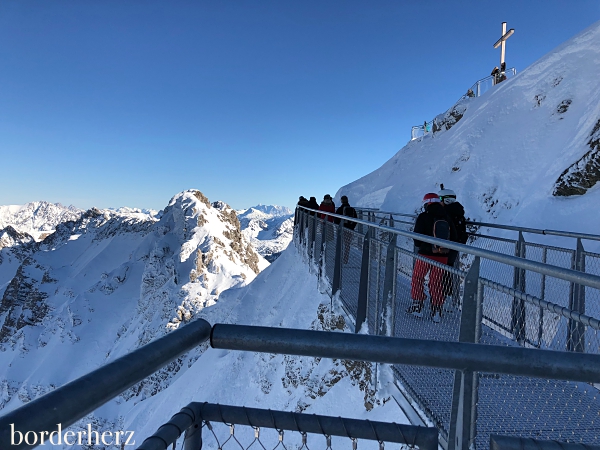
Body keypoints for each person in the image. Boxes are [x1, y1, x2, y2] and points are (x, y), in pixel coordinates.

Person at [408, 193, 457, 323]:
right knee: (436, 282)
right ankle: (436, 310)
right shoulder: (446, 217)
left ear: (427, 203)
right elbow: (454, 237)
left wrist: (423, 246)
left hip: (425, 254)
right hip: (443, 256)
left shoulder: (424, 216)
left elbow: (417, 239)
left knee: (418, 278)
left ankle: (417, 306)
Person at [334, 195, 358, 264]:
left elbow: (336, 219)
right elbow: (355, 219)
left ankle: (338, 257)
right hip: (349, 229)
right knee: (347, 245)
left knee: (339, 243)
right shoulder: (352, 209)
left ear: (341, 201)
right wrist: (352, 227)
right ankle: (345, 259)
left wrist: (337, 227)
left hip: (341, 229)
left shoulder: (339, 209)